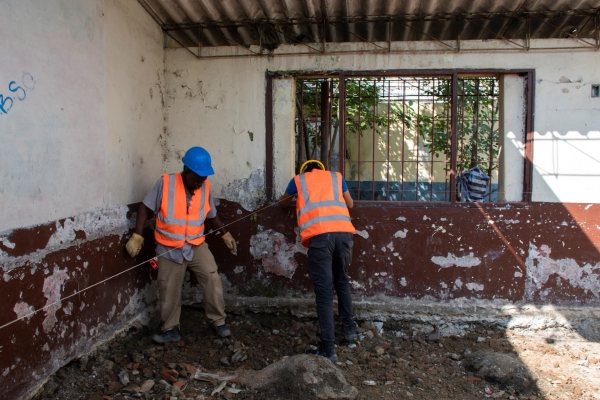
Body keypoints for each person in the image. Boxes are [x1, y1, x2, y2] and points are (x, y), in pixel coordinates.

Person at [125, 146, 237, 343]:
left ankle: (218, 322)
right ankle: (170, 329)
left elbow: (212, 214)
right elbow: (145, 207)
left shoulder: (205, 186)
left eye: (203, 179)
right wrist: (137, 235)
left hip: (196, 244)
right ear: (186, 171)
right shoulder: (165, 183)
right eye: (196, 179)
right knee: (169, 288)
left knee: (212, 279)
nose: (199, 183)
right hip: (169, 247)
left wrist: (225, 234)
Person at [278, 159, 357, 362]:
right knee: (341, 282)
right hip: (344, 235)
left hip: (321, 238)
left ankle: (328, 350)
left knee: (323, 294)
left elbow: (282, 202)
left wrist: (294, 198)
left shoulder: (299, 180)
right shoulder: (336, 177)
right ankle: (350, 330)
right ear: (322, 170)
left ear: (305, 171)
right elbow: (350, 204)